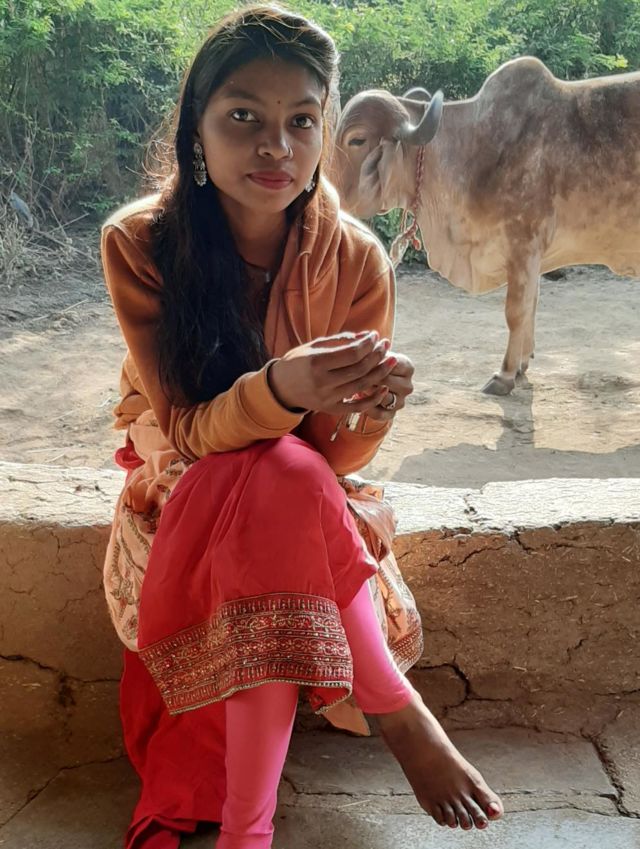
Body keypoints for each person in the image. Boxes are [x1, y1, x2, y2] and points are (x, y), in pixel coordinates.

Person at [100, 6, 504, 848]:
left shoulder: (356, 258)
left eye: (301, 121)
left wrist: (370, 409)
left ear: (325, 130)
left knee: (285, 477)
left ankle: (248, 831)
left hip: (302, 488)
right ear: (197, 128)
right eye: (243, 117)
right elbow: (188, 429)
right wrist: (282, 384)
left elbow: (333, 456)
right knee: (272, 478)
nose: (275, 146)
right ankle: (395, 706)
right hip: (186, 471)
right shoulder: (140, 243)